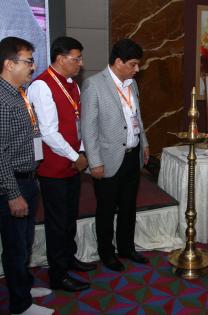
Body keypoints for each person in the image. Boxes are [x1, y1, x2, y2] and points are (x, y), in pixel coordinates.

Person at [27, 36, 96, 292]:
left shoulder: (73, 86)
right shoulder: (42, 86)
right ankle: (58, 274)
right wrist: (75, 156)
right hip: (53, 167)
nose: (81, 63)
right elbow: (48, 133)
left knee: (70, 217)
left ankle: (69, 258)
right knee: (56, 222)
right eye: (76, 58)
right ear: (60, 58)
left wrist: (81, 151)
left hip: (71, 163)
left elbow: (76, 125)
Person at [81, 38, 149, 271]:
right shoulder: (94, 84)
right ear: (118, 62)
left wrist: (145, 143)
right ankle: (106, 253)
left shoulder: (131, 83)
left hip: (132, 155)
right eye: (133, 64)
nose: (137, 69)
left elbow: (137, 117)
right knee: (106, 208)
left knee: (129, 206)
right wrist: (95, 161)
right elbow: (88, 128)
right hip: (107, 158)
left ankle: (127, 247)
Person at [0, 37, 54, 315]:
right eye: (28, 61)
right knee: (15, 246)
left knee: (25, 241)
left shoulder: (18, 92)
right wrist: (13, 194)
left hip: (28, 177)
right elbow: (0, 154)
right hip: (14, 183)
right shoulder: (2, 99)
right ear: (10, 64)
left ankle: (24, 285)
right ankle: (20, 305)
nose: (33, 67)